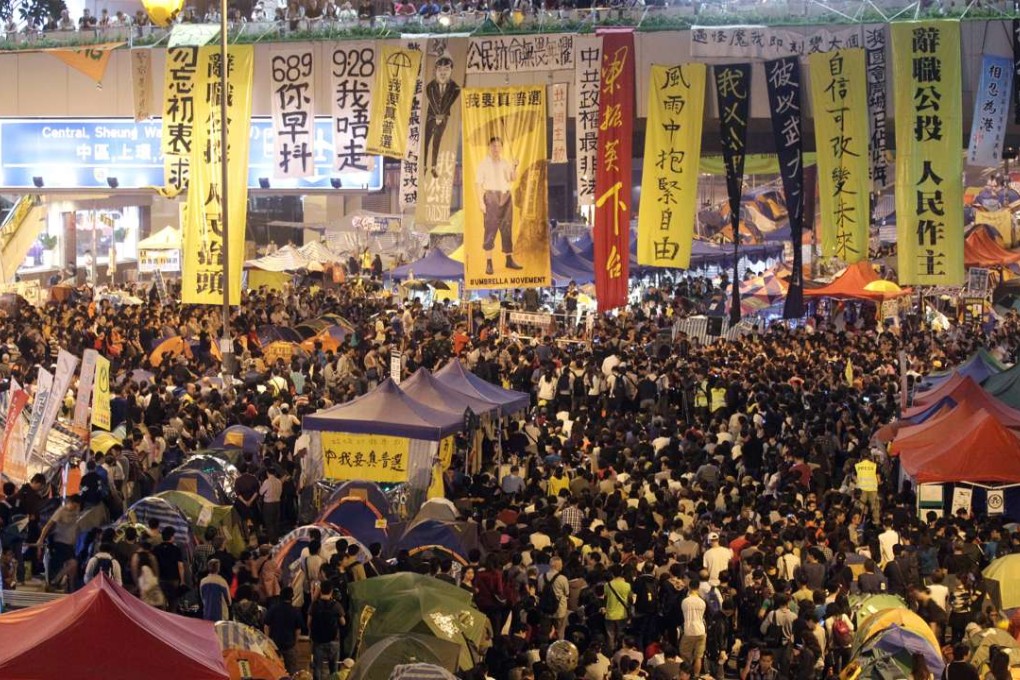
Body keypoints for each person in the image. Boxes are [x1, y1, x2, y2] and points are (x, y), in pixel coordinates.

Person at [475, 136, 521, 275]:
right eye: (493, 146)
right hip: (491, 197)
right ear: (489, 147)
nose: (496, 148)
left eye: (499, 146)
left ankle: (509, 259)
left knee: (507, 228)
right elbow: (477, 184)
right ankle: (489, 263)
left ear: (502, 148)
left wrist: (514, 166)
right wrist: (481, 202)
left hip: (506, 196)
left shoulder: (505, 163)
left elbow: (512, 178)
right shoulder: (483, 164)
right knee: (490, 229)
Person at [423, 54, 461, 178]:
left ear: (451, 70)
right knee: (426, 140)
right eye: (440, 70)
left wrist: (441, 116)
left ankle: (433, 167)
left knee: (437, 141)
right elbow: (433, 102)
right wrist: (437, 116)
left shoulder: (455, 88)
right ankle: (423, 165)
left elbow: (449, 103)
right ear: (435, 71)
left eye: (446, 69)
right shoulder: (429, 87)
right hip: (431, 116)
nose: (443, 73)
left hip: (444, 118)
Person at [36, 493, 82, 592]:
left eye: (77, 506)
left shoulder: (77, 511)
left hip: (70, 544)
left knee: (72, 567)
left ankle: (68, 588)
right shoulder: (61, 511)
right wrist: (41, 539)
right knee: (73, 563)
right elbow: (48, 525)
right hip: (60, 542)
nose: (75, 508)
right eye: (74, 505)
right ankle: (55, 581)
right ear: (70, 502)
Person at [309, 580, 346, 680]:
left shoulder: (314, 605)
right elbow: (343, 622)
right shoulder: (336, 605)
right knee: (334, 668)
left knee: (317, 667)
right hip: (334, 640)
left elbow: (309, 623)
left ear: (320, 590)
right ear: (331, 591)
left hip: (318, 641)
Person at [265, 586, 304, 675]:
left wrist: (268, 639)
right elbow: (298, 630)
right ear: (292, 597)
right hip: (289, 645)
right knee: (291, 671)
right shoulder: (295, 611)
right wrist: (295, 642)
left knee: (274, 671)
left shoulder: (273, 609)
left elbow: (266, 625)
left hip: (274, 644)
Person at [152, 526, 185, 613]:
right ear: (171, 537)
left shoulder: (156, 549)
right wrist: (182, 580)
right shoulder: (176, 549)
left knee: (161, 604)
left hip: (160, 579)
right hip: (173, 579)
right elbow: (180, 566)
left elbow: (153, 564)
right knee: (173, 603)